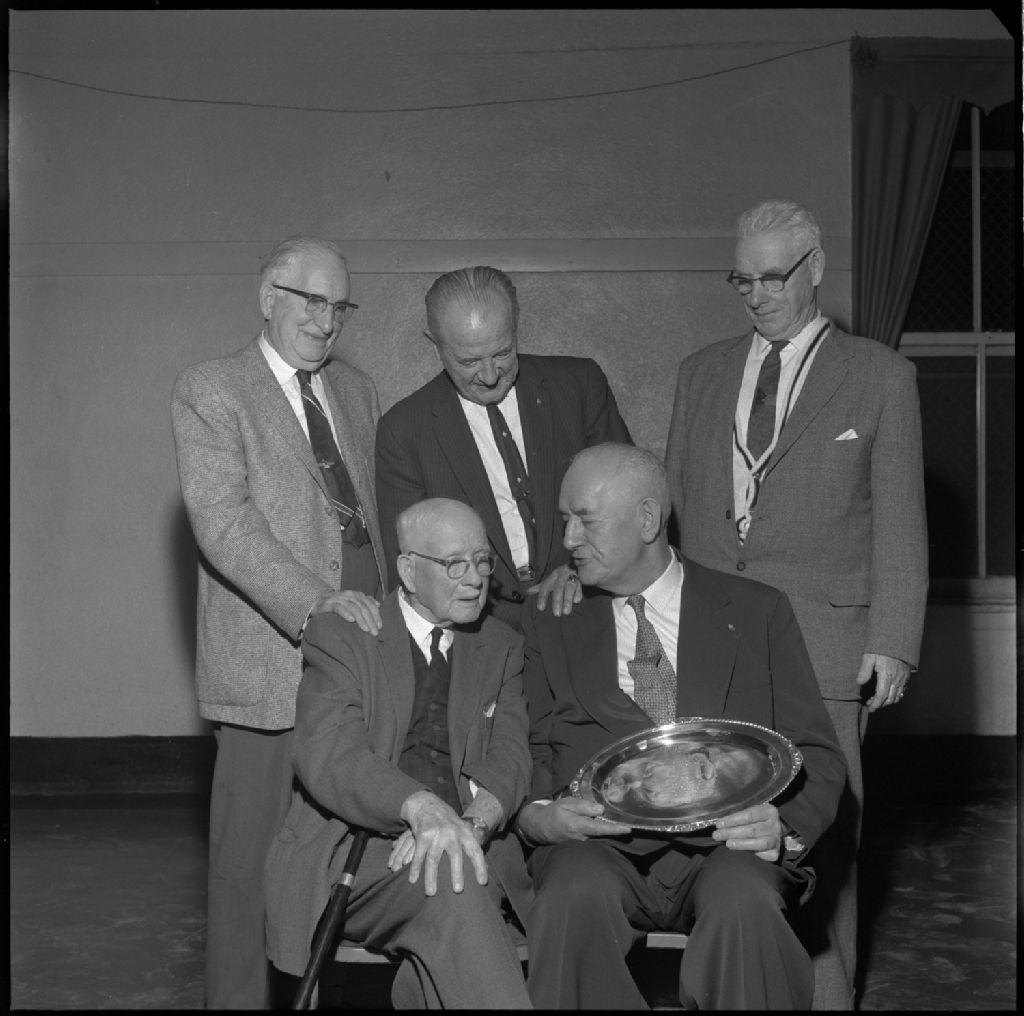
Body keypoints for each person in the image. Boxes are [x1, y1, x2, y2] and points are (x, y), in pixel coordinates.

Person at [664, 200, 928, 1009]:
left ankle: (827, 998)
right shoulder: (701, 372)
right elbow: (675, 514)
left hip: (826, 644)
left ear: (815, 268)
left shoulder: (880, 376)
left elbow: (901, 519)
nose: (757, 295)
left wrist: (893, 639)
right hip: (717, 643)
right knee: (716, 831)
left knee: (826, 841)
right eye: (742, 280)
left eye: (773, 277)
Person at [516, 443, 847, 1010]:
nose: (568, 538)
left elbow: (814, 749)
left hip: (724, 847)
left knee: (745, 901)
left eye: (586, 520)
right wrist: (537, 815)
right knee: (569, 897)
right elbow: (528, 744)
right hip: (596, 848)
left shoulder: (757, 610)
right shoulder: (552, 618)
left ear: (647, 519)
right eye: (566, 520)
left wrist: (783, 829)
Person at [171, 236, 387, 1009]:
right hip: (269, 666)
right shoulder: (212, 388)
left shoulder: (357, 390)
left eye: (339, 306)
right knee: (247, 871)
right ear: (269, 297)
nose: (326, 321)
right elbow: (223, 524)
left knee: (333, 860)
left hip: (361, 660)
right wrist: (314, 602)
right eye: (310, 301)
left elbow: (374, 518)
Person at [263, 498, 534, 1009]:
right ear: (408, 571)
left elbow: (512, 753)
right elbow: (332, 754)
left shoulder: (501, 644)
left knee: (455, 875)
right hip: (356, 850)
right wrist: (421, 809)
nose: (475, 579)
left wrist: (469, 825)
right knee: (456, 882)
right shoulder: (345, 635)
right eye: (454, 564)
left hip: (467, 841)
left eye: (482, 561)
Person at [375, 265, 631, 631]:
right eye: (469, 361)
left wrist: (581, 569)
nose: (490, 375)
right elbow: (412, 570)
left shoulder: (580, 386)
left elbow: (629, 505)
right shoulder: (403, 431)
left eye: (502, 352)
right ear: (435, 345)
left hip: (588, 616)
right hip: (479, 636)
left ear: (516, 325)